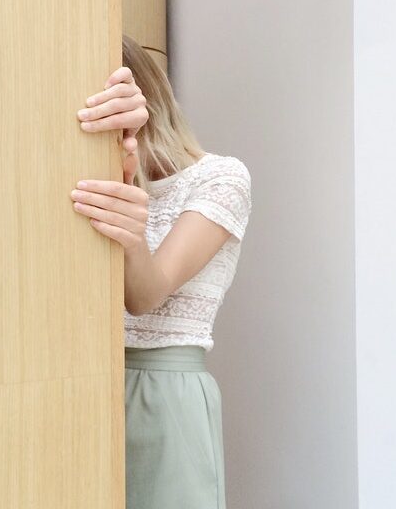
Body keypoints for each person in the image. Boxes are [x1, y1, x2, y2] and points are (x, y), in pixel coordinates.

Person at [70, 34, 252, 509]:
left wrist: (131, 227)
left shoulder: (221, 178)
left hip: (163, 391)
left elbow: (146, 295)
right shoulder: (91, 177)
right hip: (81, 382)